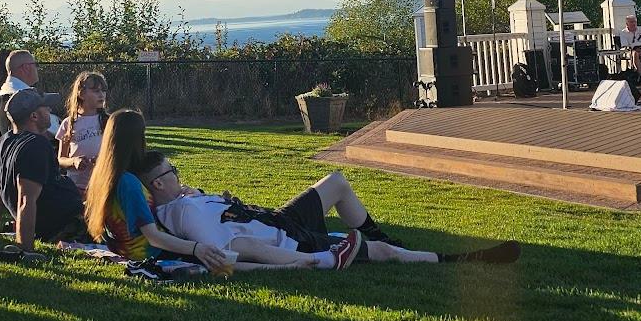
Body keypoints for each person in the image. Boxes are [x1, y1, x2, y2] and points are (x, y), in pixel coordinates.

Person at [145, 157, 521, 270]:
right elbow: (227, 254)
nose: (177, 172)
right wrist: (287, 263)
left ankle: (381, 237)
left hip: (278, 220)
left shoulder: (183, 199)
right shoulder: (183, 214)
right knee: (382, 256)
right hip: (288, 238)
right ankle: (462, 259)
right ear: (158, 185)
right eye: (171, 170)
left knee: (336, 182)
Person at [82, 109, 231, 268]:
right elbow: (153, 236)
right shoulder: (128, 183)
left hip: (125, 249)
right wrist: (196, 249)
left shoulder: (103, 176)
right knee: (223, 256)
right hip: (153, 251)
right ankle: (261, 266)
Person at [0, 87, 85, 250]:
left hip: (55, 219)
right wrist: (25, 249)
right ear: (34, 116)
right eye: (45, 107)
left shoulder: (2, 143)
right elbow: (26, 201)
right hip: (64, 226)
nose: (49, 109)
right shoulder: (36, 145)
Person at [57, 70, 107, 191]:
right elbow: (61, 159)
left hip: (102, 184)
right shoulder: (68, 124)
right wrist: (74, 161)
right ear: (81, 94)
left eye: (103, 91)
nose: (101, 95)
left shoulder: (109, 121)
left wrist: (102, 159)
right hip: (76, 187)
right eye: (96, 91)